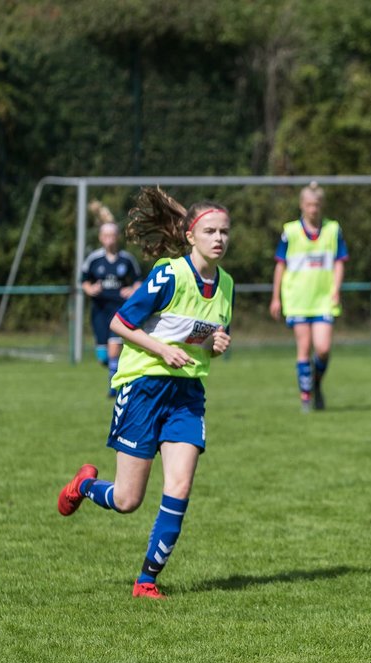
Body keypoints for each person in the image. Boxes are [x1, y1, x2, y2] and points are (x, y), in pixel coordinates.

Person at [56, 187, 234, 600]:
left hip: (187, 394)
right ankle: (84, 486)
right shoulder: (170, 274)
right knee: (127, 499)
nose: (219, 239)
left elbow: (202, 337)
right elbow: (120, 323)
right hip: (142, 390)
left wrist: (216, 346)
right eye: (210, 231)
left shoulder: (226, 285)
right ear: (191, 236)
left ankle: (146, 581)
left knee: (180, 486)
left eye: (225, 231)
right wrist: (160, 350)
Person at [270, 182, 348, 412]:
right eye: (308, 205)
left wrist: (336, 289)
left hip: (324, 298)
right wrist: (276, 297)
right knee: (304, 347)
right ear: (302, 205)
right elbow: (280, 265)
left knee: (323, 348)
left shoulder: (333, 229)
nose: (312, 209)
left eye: (316, 205)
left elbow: (339, 262)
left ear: (321, 205)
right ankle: (306, 398)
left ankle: (315, 384)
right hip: (297, 298)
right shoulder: (291, 231)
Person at [80, 219, 142, 396]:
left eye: (112, 235)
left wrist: (132, 289)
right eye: (106, 235)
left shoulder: (127, 259)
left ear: (117, 237)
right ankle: (118, 370)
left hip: (120, 310)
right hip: (99, 310)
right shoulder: (94, 259)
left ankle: (114, 387)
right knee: (103, 357)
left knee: (114, 348)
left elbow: (139, 280)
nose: (109, 239)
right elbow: (83, 280)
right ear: (101, 238)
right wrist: (90, 289)